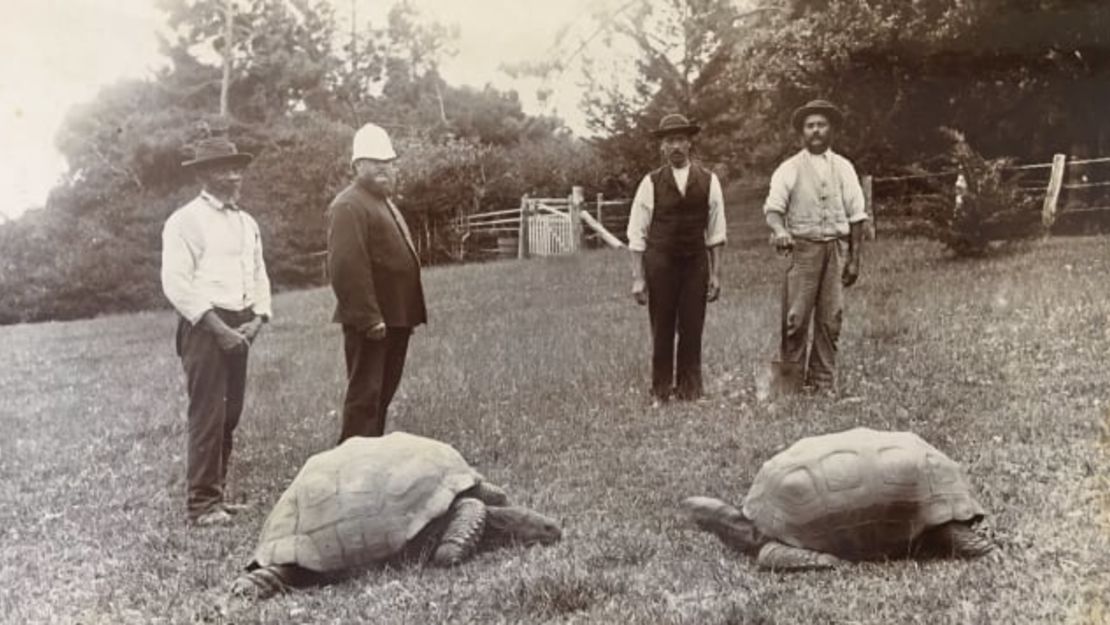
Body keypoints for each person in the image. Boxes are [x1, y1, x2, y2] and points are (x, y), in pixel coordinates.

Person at [161, 135, 272, 526]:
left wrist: (258, 318)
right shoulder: (185, 221)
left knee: (230, 413)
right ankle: (202, 504)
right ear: (204, 174)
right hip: (205, 327)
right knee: (207, 414)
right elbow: (176, 283)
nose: (235, 174)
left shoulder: (246, 221)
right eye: (226, 167)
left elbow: (258, 273)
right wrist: (218, 328)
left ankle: (217, 495)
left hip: (241, 323)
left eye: (238, 167)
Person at [326, 123, 426, 443]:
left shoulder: (382, 201)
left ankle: (370, 463)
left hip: (396, 317)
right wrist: (369, 318)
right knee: (364, 400)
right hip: (373, 322)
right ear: (357, 166)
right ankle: (351, 468)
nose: (384, 168)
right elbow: (345, 267)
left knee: (381, 397)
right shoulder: (349, 205)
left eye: (389, 162)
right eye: (374, 162)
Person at [763, 99, 869, 394]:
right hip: (803, 251)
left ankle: (822, 384)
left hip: (835, 249)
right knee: (795, 319)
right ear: (802, 133)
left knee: (831, 318)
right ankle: (790, 385)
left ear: (831, 129)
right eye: (810, 126)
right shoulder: (789, 168)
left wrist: (854, 259)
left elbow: (857, 215)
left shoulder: (844, 168)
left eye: (821, 125)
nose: (816, 131)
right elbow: (773, 209)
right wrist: (780, 230)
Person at [626, 113, 727, 405]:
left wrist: (716, 274)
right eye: (670, 141)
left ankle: (690, 390)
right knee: (663, 327)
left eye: (681, 139)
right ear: (662, 146)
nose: (676, 146)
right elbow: (637, 232)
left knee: (692, 326)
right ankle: (660, 391)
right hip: (661, 263)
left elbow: (717, 232)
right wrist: (638, 277)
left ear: (690, 143)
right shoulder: (651, 182)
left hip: (695, 263)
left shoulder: (709, 181)